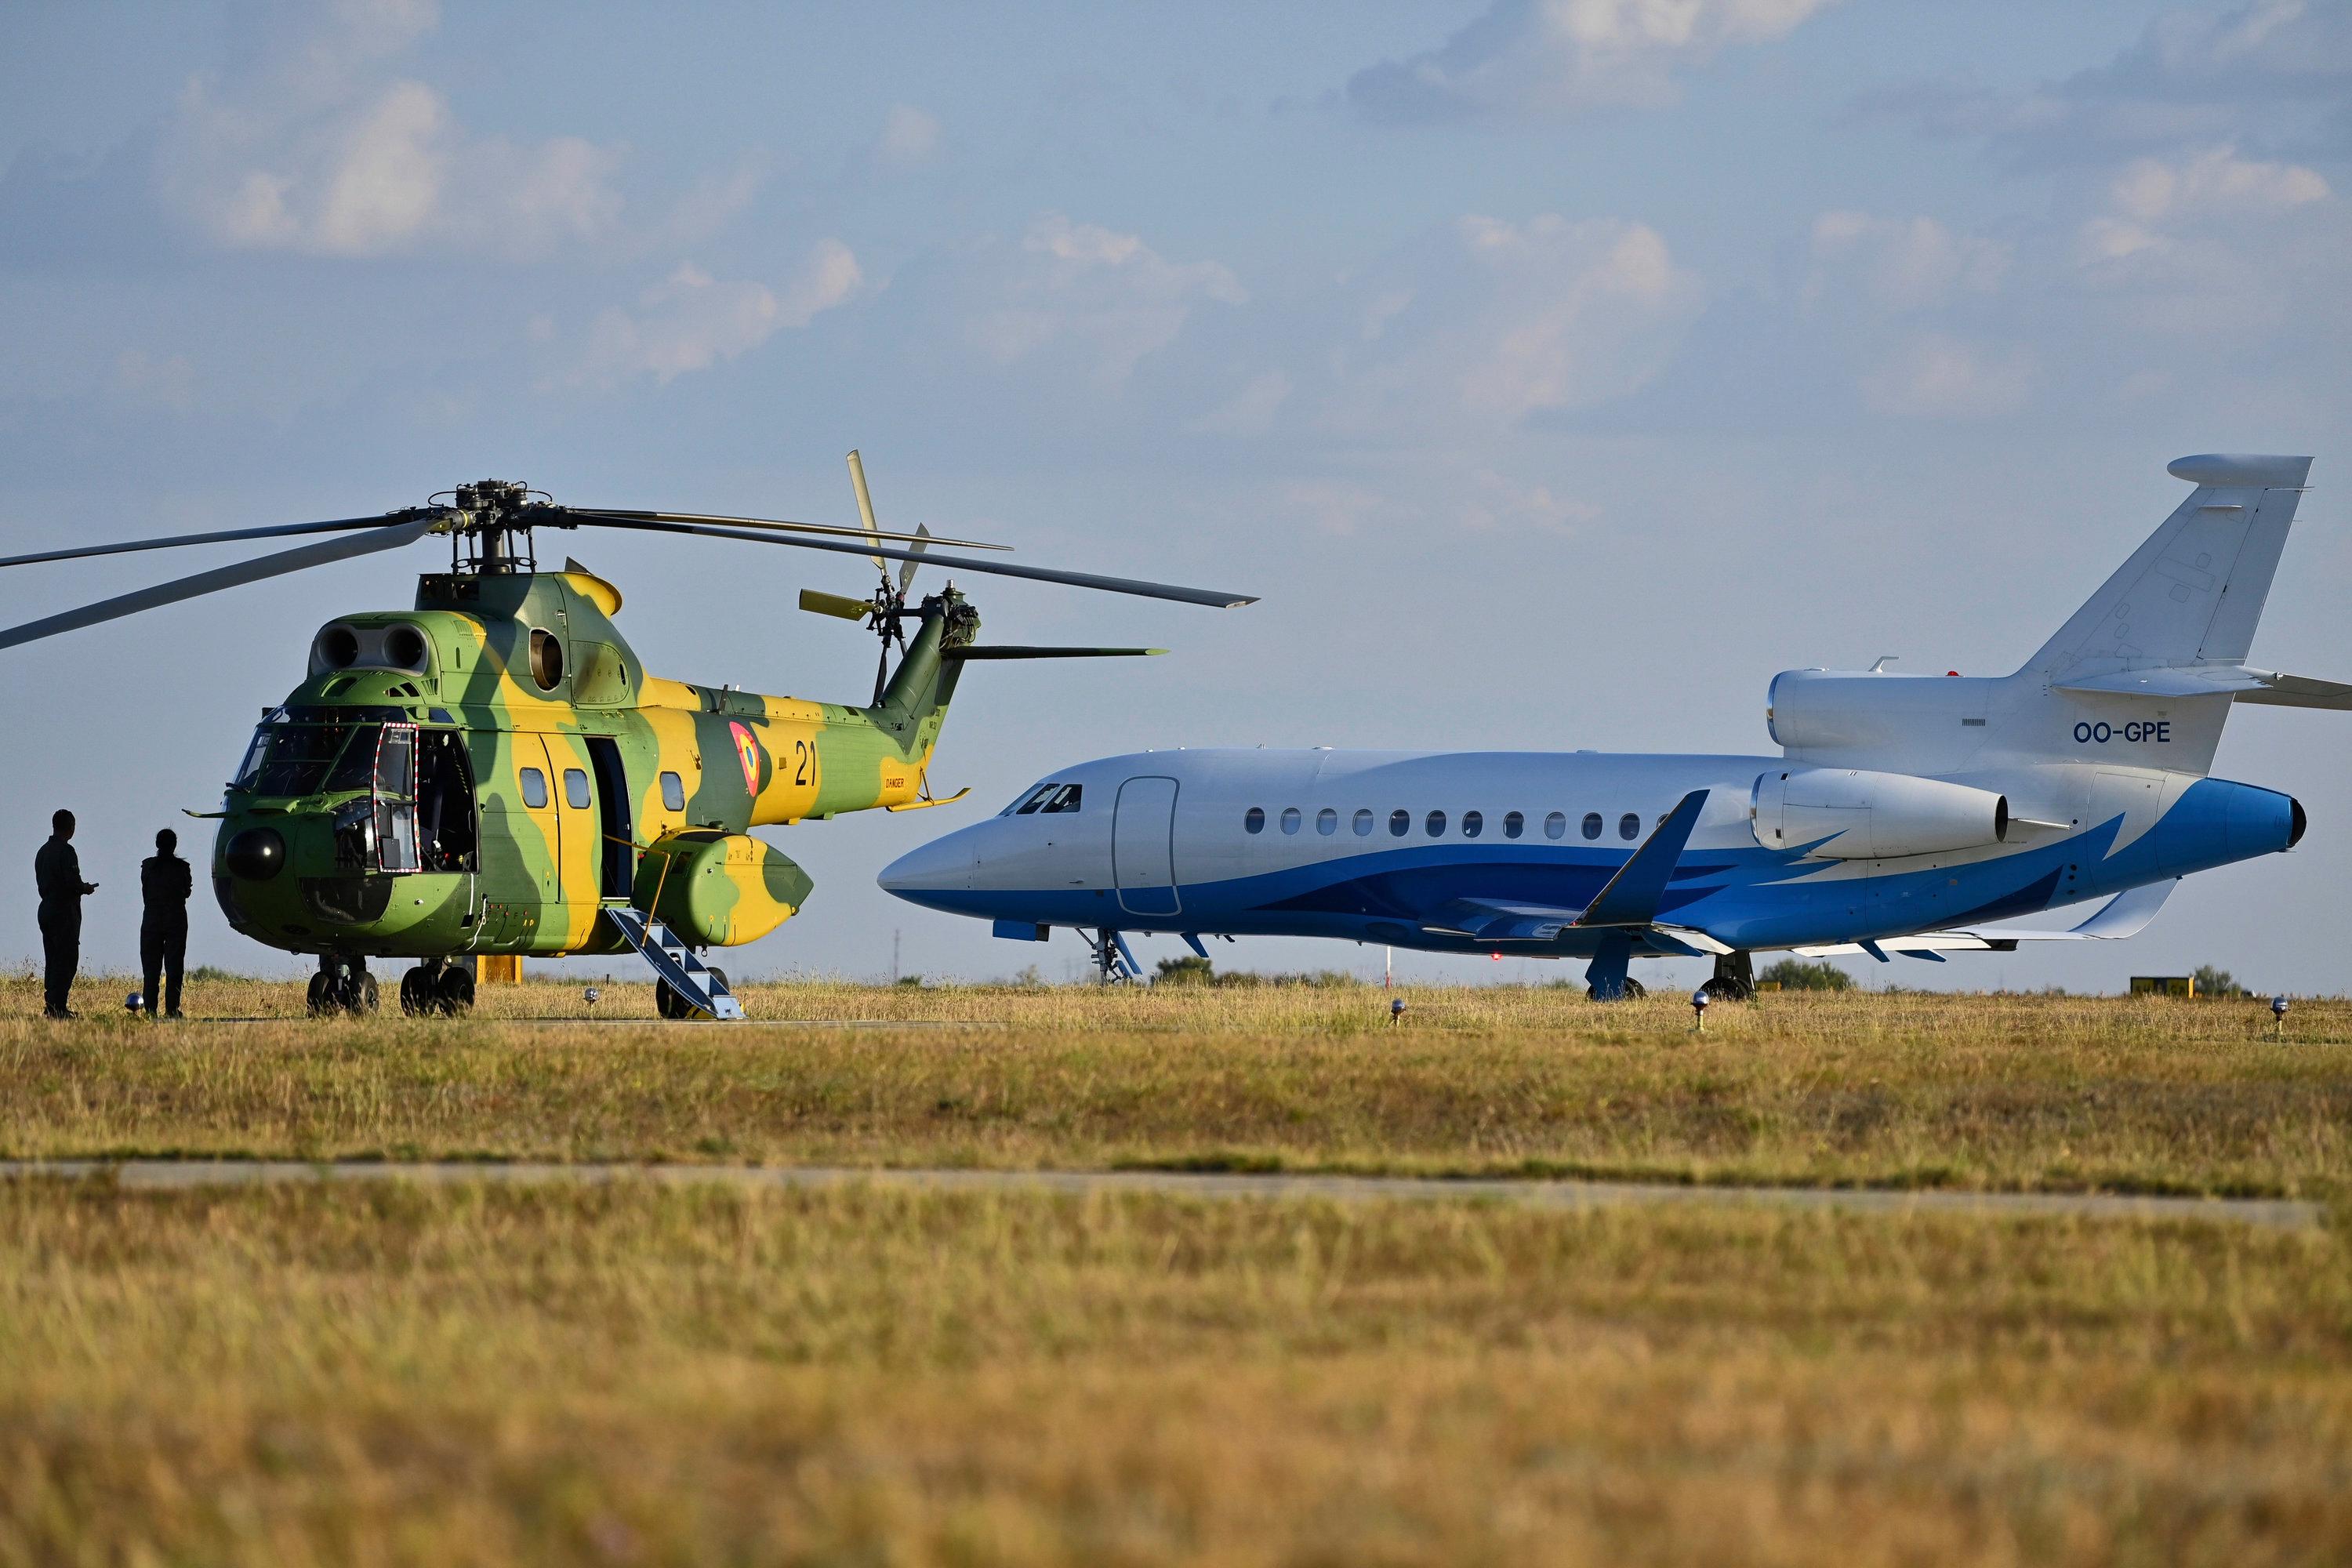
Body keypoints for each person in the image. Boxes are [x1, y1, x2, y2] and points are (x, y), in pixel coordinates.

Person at [34, 809, 97, 1020]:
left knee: (52, 959)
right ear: (71, 827)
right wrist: (85, 888)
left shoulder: (42, 852)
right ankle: (58, 1007)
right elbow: (72, 882)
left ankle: (51, 1005)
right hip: (64, 912)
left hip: (46, 909)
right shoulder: (67, 851)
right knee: (67, 960)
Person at [140, 827, 194, 1020]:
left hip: (152, 919)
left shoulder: (147, 866)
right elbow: (187, 892)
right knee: (175, 967)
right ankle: (172, 1009)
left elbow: (146, 891)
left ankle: (150, 1010)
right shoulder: (182, 868)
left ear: (157, 844)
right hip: (176, 919)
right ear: (174, 845)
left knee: (151, 969)